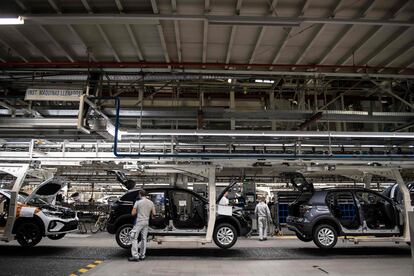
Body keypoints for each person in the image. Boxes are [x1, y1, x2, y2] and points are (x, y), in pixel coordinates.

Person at [129, 190, 156, 262]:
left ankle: (135, 256)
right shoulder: (151, 202)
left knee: (133, 237)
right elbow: (154, 214)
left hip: (139, 222)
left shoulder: (138, 202)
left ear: (140, 194)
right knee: (144, 239)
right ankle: (142, 255)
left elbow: (133, 213)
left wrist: (137, 210)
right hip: (146, 222)